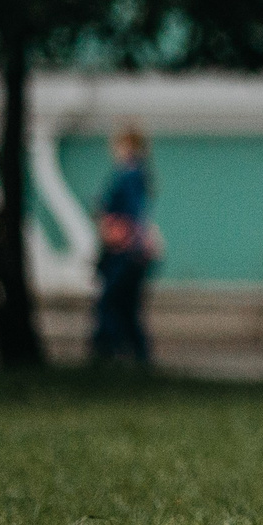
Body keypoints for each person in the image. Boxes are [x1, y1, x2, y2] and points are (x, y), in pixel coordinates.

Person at [90, 125, 161, 366]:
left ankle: (111, 351)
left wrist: (113, 228)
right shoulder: (138, 175)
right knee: (126, 305)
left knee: (112, 302)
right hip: (130, 249)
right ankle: (135, 354)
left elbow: (130, 214)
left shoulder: (129, 175)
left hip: (124, 250)